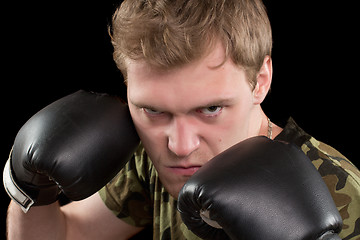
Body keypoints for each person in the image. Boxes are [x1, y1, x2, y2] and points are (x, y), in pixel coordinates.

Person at [5, 0, 360, 239]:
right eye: (153, 110)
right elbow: (66, 233)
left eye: (210, 109)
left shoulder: (339, 193)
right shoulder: (149, 159)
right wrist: (31, 189)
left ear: (260, 81)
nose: (179, 145)